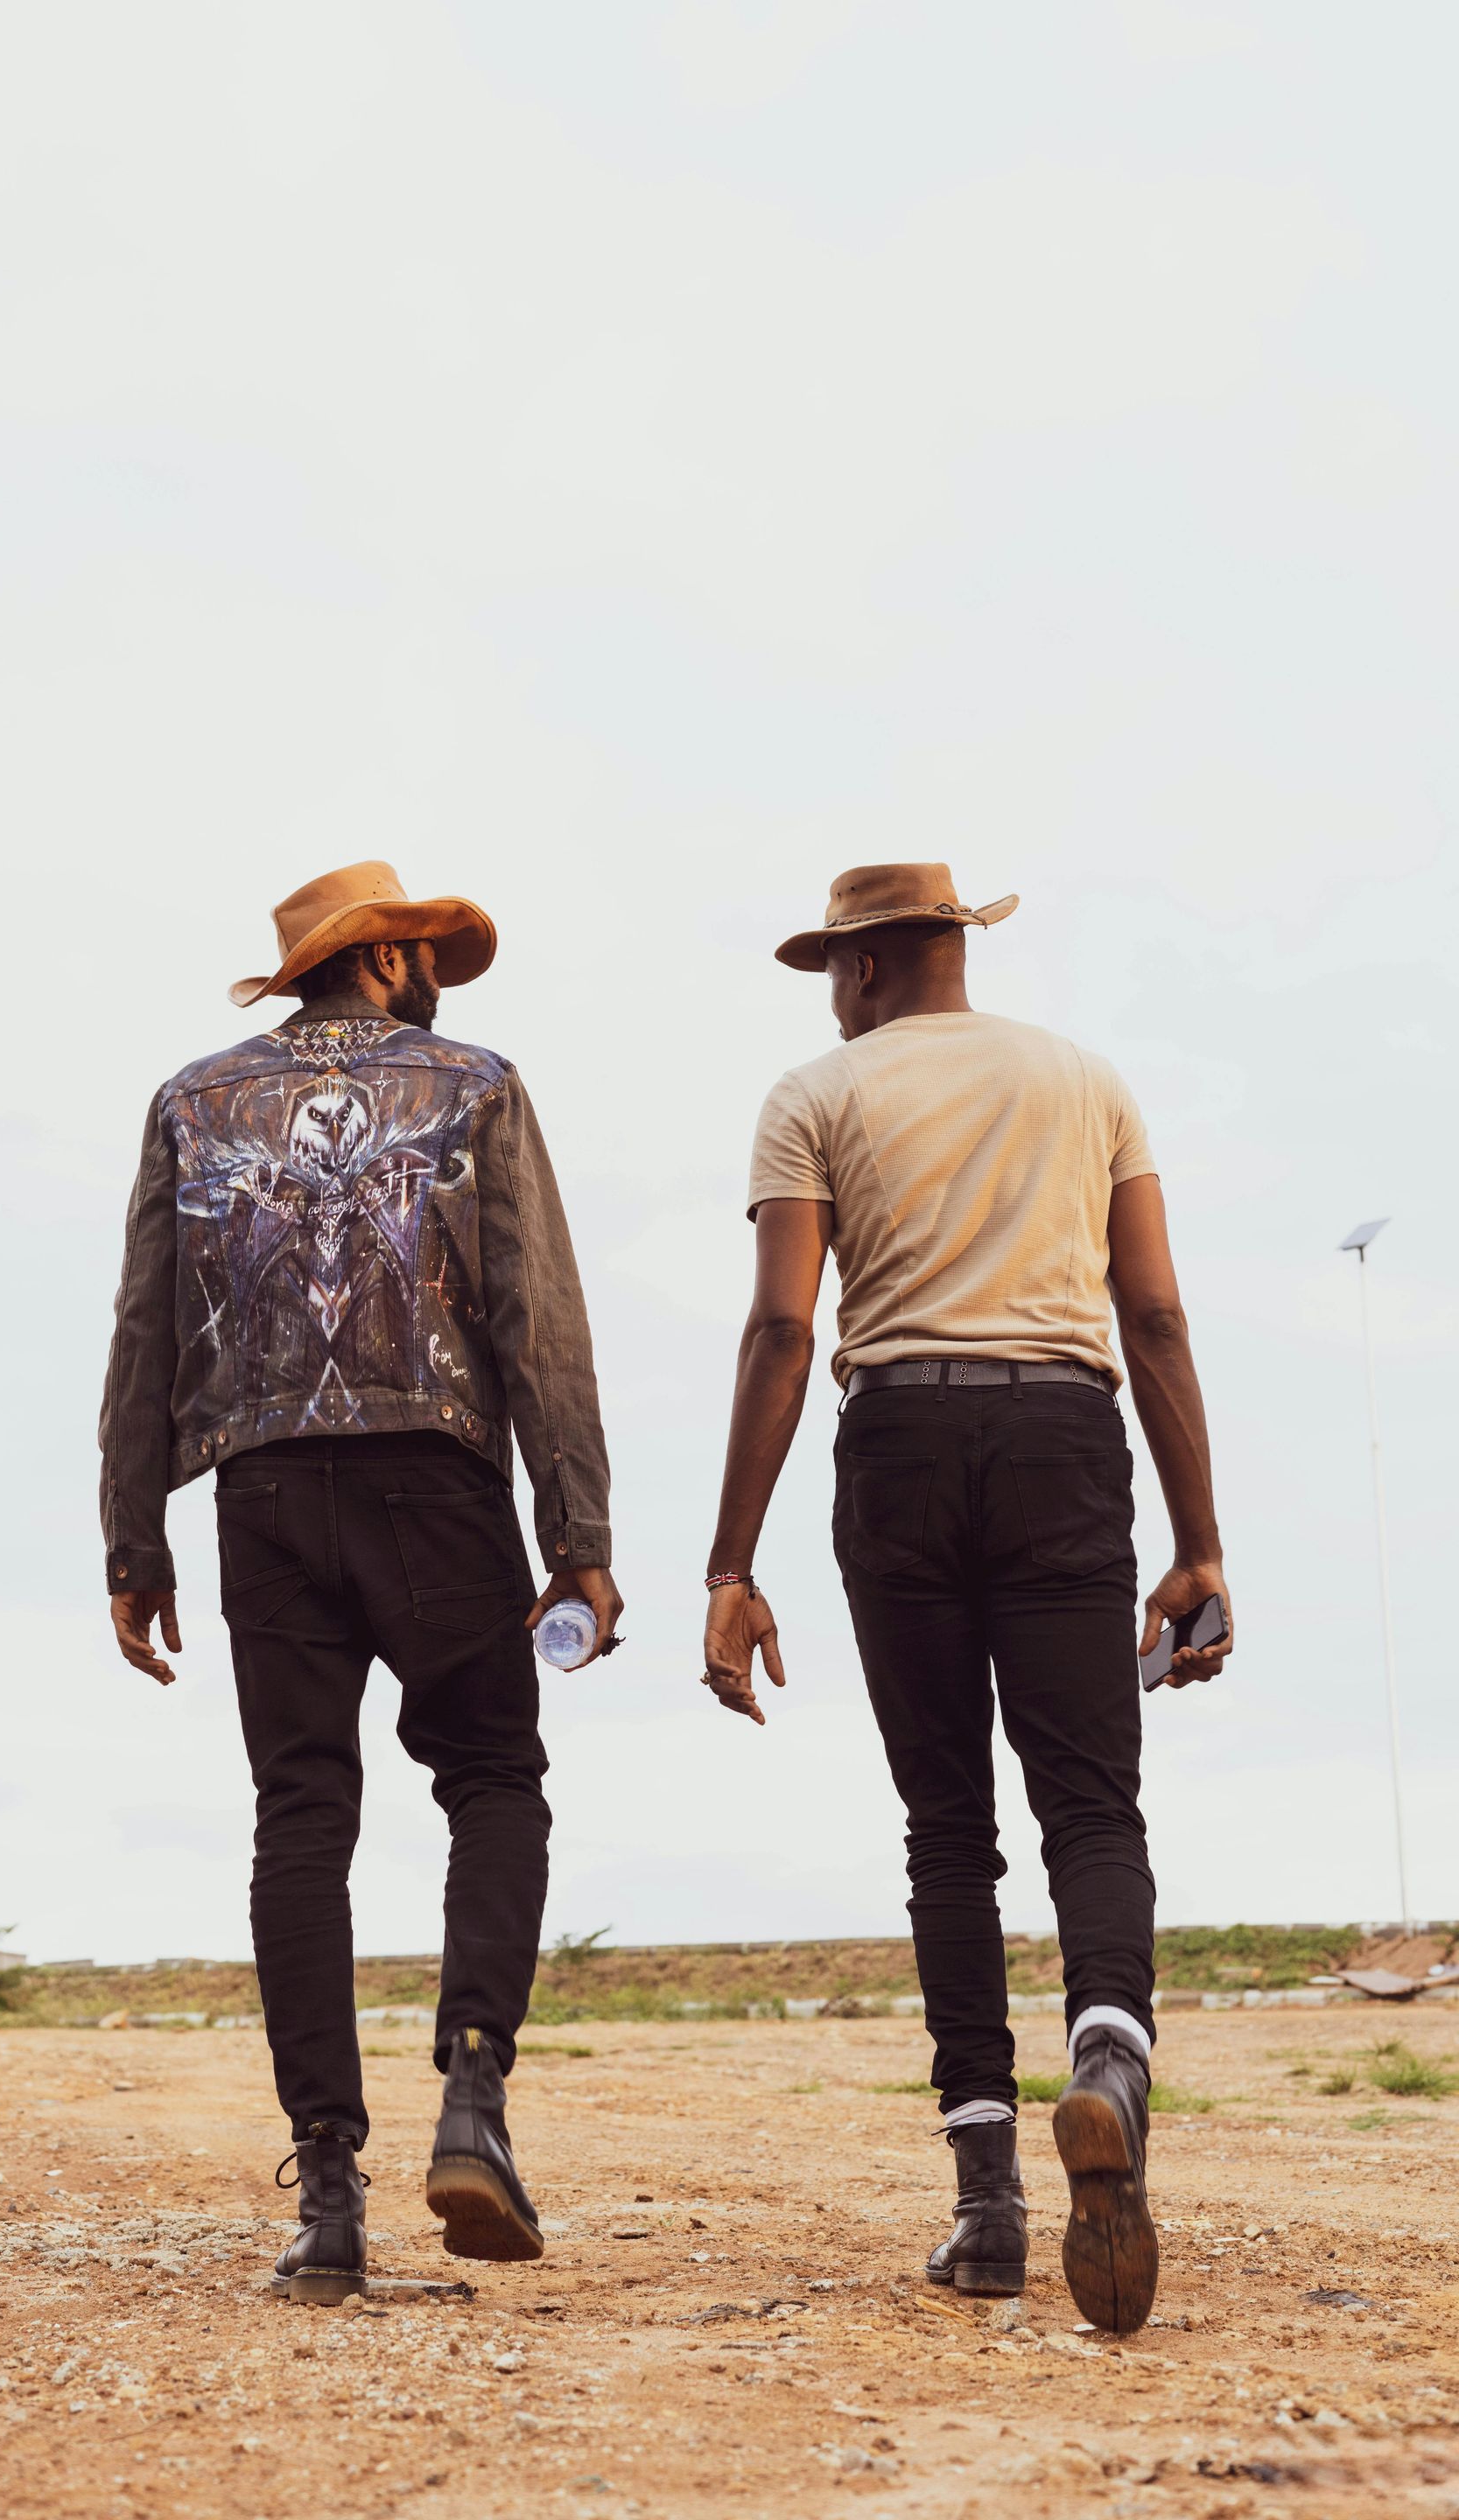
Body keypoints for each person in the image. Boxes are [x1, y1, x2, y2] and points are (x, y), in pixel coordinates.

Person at [698, 862, 1231, 2335]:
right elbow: (1155, 1313)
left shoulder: (815, 1095)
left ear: (865, 966)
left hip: (900, 1442)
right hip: (1064, 1433)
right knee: (1092, 1807)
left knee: (948, 1827)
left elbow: (783, 1328)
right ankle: (1109, 2061)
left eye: (831, 966)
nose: (830, 992)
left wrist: (732, 1565)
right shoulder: (1088, 1083)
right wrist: (1199, 1545)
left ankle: (989, 2209)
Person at [101, 859, 621, 2299]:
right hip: (434, 1482)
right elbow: (536, 1320)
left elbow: (145, 1329)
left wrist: (134, 1538)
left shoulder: (194, 1101)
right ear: (384, 960)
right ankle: (473, 2098)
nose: (436, 971)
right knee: (493, 1779)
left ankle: (327, 2195)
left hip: (264, 1491)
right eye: (423, 949)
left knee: (302, 1814)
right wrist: (578, 1533)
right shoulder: (475, 1086)